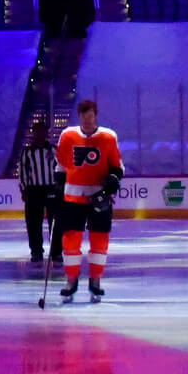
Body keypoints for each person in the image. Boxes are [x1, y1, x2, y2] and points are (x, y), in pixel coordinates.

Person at [53, 98, 123, 302]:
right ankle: (71, 280)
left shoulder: (109, 137)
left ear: (96, 115)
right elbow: (61, 166)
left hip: (98, 198)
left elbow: (118, 167)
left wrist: (113, 179)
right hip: (72, 197)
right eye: (84, 117)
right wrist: (57, 188)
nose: (87, 121)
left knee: (99, 239)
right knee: (70, 241)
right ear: (79, 116)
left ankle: (95, 280)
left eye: (90, 116)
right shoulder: (68, 136)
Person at [18, 117, 62, 273]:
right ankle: (36, 252)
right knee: (33, 223)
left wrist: (60, 187)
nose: (39, 134)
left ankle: (56, 253)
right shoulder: (27, 152)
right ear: (33, 134)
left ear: (46, 133)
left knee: (55, 223)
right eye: (36, 132)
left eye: (42, 131)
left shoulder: (54, 150)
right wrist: (23, 189)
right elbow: (23, 172)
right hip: (33, 190)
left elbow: (61, 169)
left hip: (51, 189)